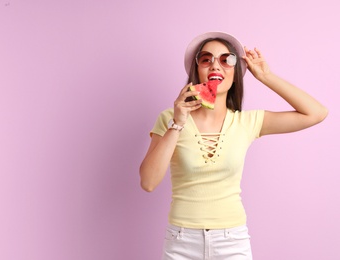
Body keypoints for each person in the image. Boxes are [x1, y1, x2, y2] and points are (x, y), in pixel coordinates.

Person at [139, 31, 328, 260]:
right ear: (197, 71)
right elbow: (148, 182)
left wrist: (266, 76)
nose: (215, 66)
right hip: (181, 241)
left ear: (236, 74)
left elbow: (317, 113)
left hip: (232, 242)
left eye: (227, 60)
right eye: (206, 60)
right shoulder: (169, 118)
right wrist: (178, 123)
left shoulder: (246, 122)